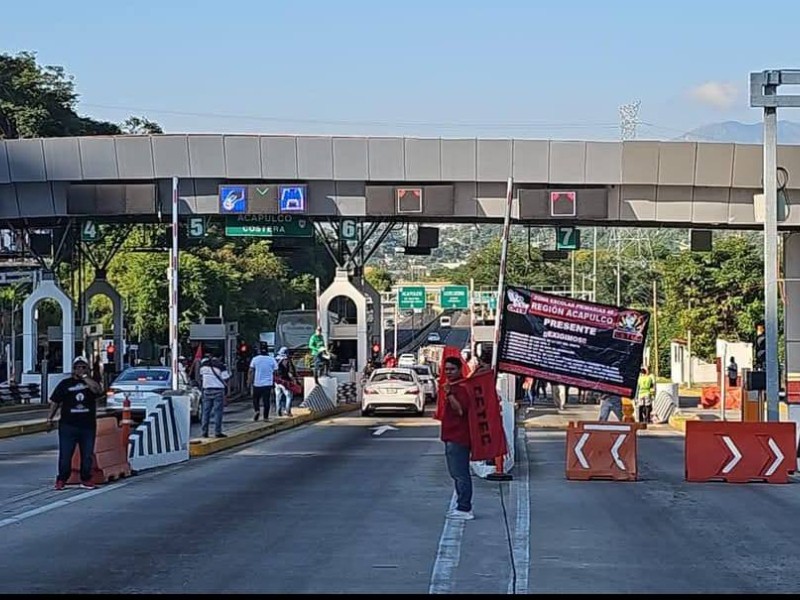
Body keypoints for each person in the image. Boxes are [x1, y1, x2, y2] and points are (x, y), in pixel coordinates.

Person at [47, 356, 105, 490]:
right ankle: (62, 479)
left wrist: (85, 378)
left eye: (83, 367)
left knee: (87, 455)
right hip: (68, 425)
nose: (80, 369)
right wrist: (49, 418)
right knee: (65, 455)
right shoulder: (65, 384)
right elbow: (55, 401)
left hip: (87, 426)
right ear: (73, 369)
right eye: (77, 367)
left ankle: (86, 479)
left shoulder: (91, 383)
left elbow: (98, 391)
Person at [440, 356, 474, 521]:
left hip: (458, 436)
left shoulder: (461, 388)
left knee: (460, 473)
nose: (448, 372)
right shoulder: (454, 385)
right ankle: (462, 505)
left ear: (460, 369)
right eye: (446, 369)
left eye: (452, 369)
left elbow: (460, 410)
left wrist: (449, 394)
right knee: (456, 473)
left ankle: (464, 507)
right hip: (451, 435)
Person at [199, 355, 231, 438]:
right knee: (218, 412)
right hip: (218, 390)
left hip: (206, 390)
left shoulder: (203, 366)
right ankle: (217, 432)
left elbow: (201, 376)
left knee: (205, 412)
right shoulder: (220, 366)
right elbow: (226, 378)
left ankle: (204, 432)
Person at [248, 343, 277, 421]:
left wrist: (249, 381)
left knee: (255, 399)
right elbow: (276, 371)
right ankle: (265, 417)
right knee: (266, 400)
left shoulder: (255, 359)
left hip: (257, 383)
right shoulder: (272, 359)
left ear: (259, 350)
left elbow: (251, 371)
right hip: (268, 383)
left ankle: (257, 410)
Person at [274, 346, 298, 417]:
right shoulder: (287, 360)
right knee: (289, 396)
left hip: (277, 381)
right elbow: (291, 372)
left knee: (278, 396)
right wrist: (294, 380)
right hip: (285, 381)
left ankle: (278, 411)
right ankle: (287, 411)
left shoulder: (275, 360)